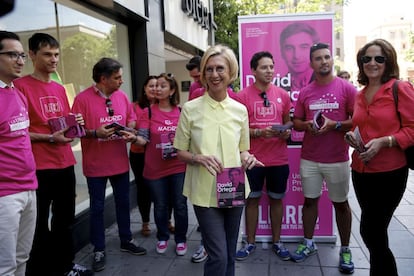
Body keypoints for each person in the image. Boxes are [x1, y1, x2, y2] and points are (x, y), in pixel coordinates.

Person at [173, 44, 264, 276]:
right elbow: (179, 151)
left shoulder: (240, 110)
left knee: (230, 254)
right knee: (218, 256)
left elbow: (243, 149)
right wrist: (198, 157)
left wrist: (248, 157)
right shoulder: (191, 109)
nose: (214, 75)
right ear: (203, 74)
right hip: (204, 191)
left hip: (234, 187)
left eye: (220, 69)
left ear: (231, 72)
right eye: (209, 69)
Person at [14, 32, 93, 276]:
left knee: (65, 220)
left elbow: (62, 124)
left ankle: (66, 267)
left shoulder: (59, 88)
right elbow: (17, 131)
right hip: (37, 167)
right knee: (36, 225)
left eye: (56, 54)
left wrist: (75, 124)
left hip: (65, 163)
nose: (54, 59)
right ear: (32, 55)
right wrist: (49, 137)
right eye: (47, 54)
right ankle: (41, 269)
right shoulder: (20, 86)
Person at [345, 39, 414, 276]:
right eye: (367, 59)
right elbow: (362, 127)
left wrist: (386, 141)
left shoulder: (400, 88)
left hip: (390, 172)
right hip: (361, 171)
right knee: (376, 233)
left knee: (370, 230)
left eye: (379, 58)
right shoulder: (359, 94)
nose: (372, 63)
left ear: (388, 61)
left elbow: (412, 128)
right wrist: (353, 138)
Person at [71, 57, 147, 272]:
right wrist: (96, 133)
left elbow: (132, 120)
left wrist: (128, 130)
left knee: (123, 203)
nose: (121, 81)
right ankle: (99, 249)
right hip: (95, 165)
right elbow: (74, 132)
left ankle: (126, 240)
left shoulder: (121, 96)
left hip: (120, 163)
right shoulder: (81, 100)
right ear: (103, 79)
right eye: (117, 77)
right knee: (97, 208)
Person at [291, 43, 357, 274]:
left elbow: (357, 120)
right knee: (309, 202)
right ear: (312, 63)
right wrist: (307, 125)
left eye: (327, 57)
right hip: (310, 158)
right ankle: (308, 243)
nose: (323, 61)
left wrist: (335, 124)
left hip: (337, 158)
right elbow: (296, 121)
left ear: (332, 59)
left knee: (341, 204)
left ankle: (346, 248)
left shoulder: (347, 89)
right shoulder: (305, 92)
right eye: (318, 58)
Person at [235, 51, 292, 261]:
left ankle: (277, 242)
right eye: (264, 67)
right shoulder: (241, 97)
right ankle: (250, 242)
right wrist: (259, 132)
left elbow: (288, 123)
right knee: (252, 200)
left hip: (279, 159)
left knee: (277, 200)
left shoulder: (283, 95)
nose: (269, 71)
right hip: (252, 159)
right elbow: (236, 131)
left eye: (271, 67)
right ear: (253, 71)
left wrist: (286, 131)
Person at [127, 73, 188, 255]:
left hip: (178, 166)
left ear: (172, 90)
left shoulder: (181, 111)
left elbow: (189, 138)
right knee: (160, 205)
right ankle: (162, 237)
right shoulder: (148, 112)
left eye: (163, 86)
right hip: (155, 168)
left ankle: (181, 239)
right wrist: (134, 138)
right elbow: (143, 139)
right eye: (156, 86)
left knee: (180, 204)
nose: (158, 89)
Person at [0, 30, 37, 276]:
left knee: (22, 257)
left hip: (29, 188)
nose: (20, 60)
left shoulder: (16, 92)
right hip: (4, 195)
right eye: (12, 54)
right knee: (5, 266)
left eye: (22, 55)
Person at [129, 75, 157, 237]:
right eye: (151, 86)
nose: (154, 89)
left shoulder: (164, 107)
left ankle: (167, 221)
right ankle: (145, 222)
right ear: (144, 89)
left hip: (159, 155)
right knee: (143, 189)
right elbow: (129, 126)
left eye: (157, 86)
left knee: (161, 189)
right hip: (139, 154)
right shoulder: (134, 107)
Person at [278, 22, 319, 93]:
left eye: (304, 47)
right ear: (282, 52)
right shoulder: (277, 87)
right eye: (289, 48)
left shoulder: (323, 83)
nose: (296, 56)